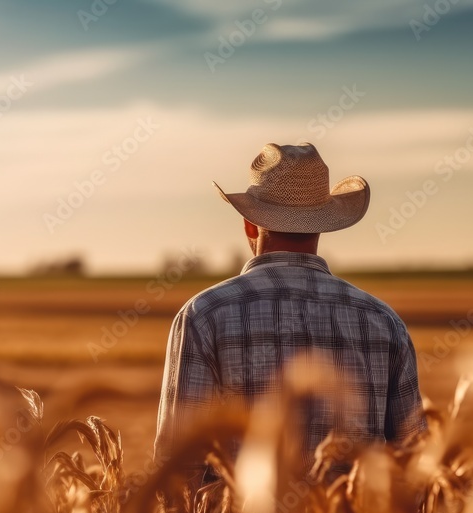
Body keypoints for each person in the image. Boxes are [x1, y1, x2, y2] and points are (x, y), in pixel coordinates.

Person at [154, 142, 427, 484]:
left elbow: (178, 467)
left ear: (250, 226)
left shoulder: (203, 315)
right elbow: (414, 462)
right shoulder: (383, 322)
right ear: (322, 225)